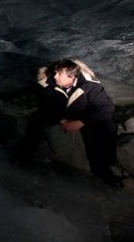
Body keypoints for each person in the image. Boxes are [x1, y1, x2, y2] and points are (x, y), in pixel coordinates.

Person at [13, 59, 122, 187]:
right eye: (55, 73)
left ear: (72, 77)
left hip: (82, 114)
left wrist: (81, 122)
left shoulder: (90, 85)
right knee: (37, 119)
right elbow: (45, 105)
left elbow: (106, 107)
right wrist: (62, 120)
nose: (55, 76)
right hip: (58, 112)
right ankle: (23, 155)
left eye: (59, 74)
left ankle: (103, 169)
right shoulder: (46, 83)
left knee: (107, 126)